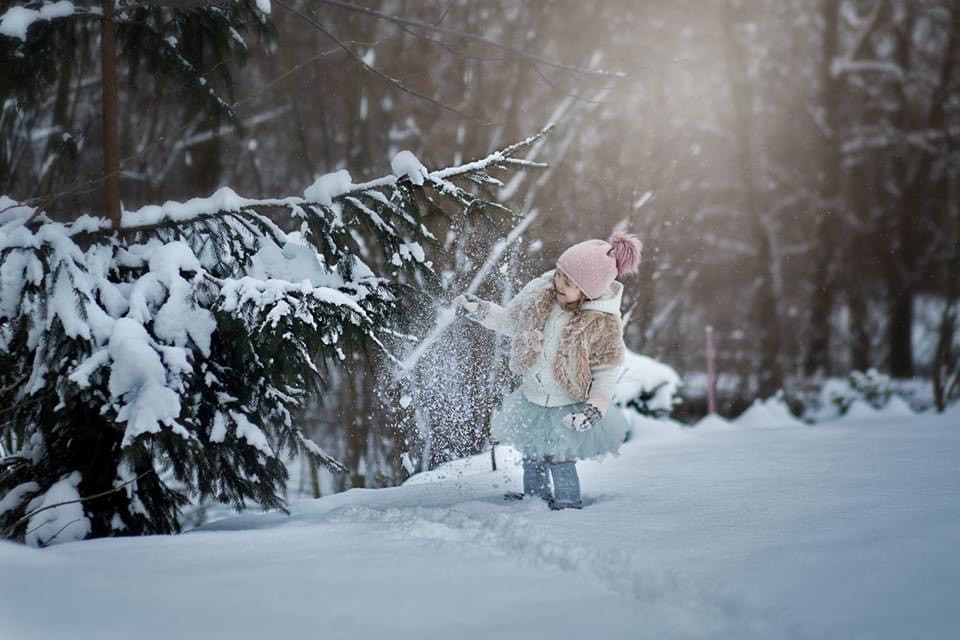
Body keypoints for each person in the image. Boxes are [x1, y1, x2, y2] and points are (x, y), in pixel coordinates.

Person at [454, 231, 642, 510]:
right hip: (533, 400)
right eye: (559, 275)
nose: (558, 284)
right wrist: (481, 311)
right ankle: (534, 499)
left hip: (567, 406)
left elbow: (605, 371)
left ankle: (567, 502)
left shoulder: (601, 323)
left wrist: (595, 406)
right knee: (533, 455)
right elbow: (510, 321)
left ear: (589, 290)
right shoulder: (542, 297)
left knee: (559, 458)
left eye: (569, 282)